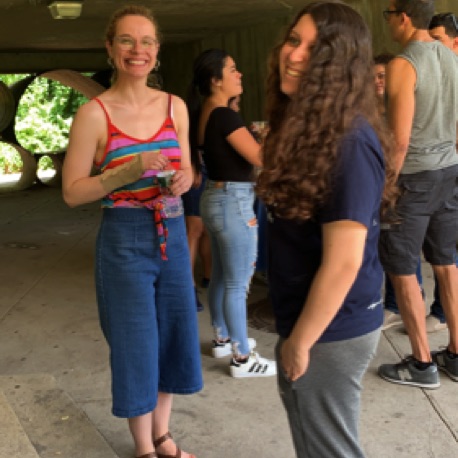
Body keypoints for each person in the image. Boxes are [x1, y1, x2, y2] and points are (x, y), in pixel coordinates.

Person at [256, 1, 398, 456]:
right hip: (311, 319)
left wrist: (300, 342)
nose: (295, 55)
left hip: (332, 328)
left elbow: (344, 262)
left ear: (339, 67)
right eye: (294, 41)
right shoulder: (311, 127)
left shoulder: (351, 142)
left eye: (315, 49)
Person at [62, 5, 202, 458]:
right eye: (126, 40)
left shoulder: (174, 107)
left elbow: (188, 170)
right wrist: (126, 172)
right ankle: (143, 447)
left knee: (175, 333)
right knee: (136, 342)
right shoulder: (94, 114)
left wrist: (186, 180)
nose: (137, 50)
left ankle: (163, 435)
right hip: (124, 239)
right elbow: (72, 192)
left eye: (146, 42)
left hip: (173, 231)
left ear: (157, 51)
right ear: (110, 48)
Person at [378, 0, 458, 389]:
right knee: (446, 262)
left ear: (403, 17)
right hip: (449, 170)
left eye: (388, 16)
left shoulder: (402, 64)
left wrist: (386, 184)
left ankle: (423, 364)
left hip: (413, 177)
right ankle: (456, 355)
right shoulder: (449, 55)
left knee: (402, 267)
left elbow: (400, 139)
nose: (388, 23)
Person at [187, 48, 276, 377]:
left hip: (214, 197)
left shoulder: (205, 114)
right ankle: (242, 358)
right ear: (215, 80)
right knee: (238, 284)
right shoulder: (224, 116)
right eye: (233, 69)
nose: (240, 74)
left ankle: (223, 337)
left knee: (222, 278)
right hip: (233, 202)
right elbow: (260, 158)